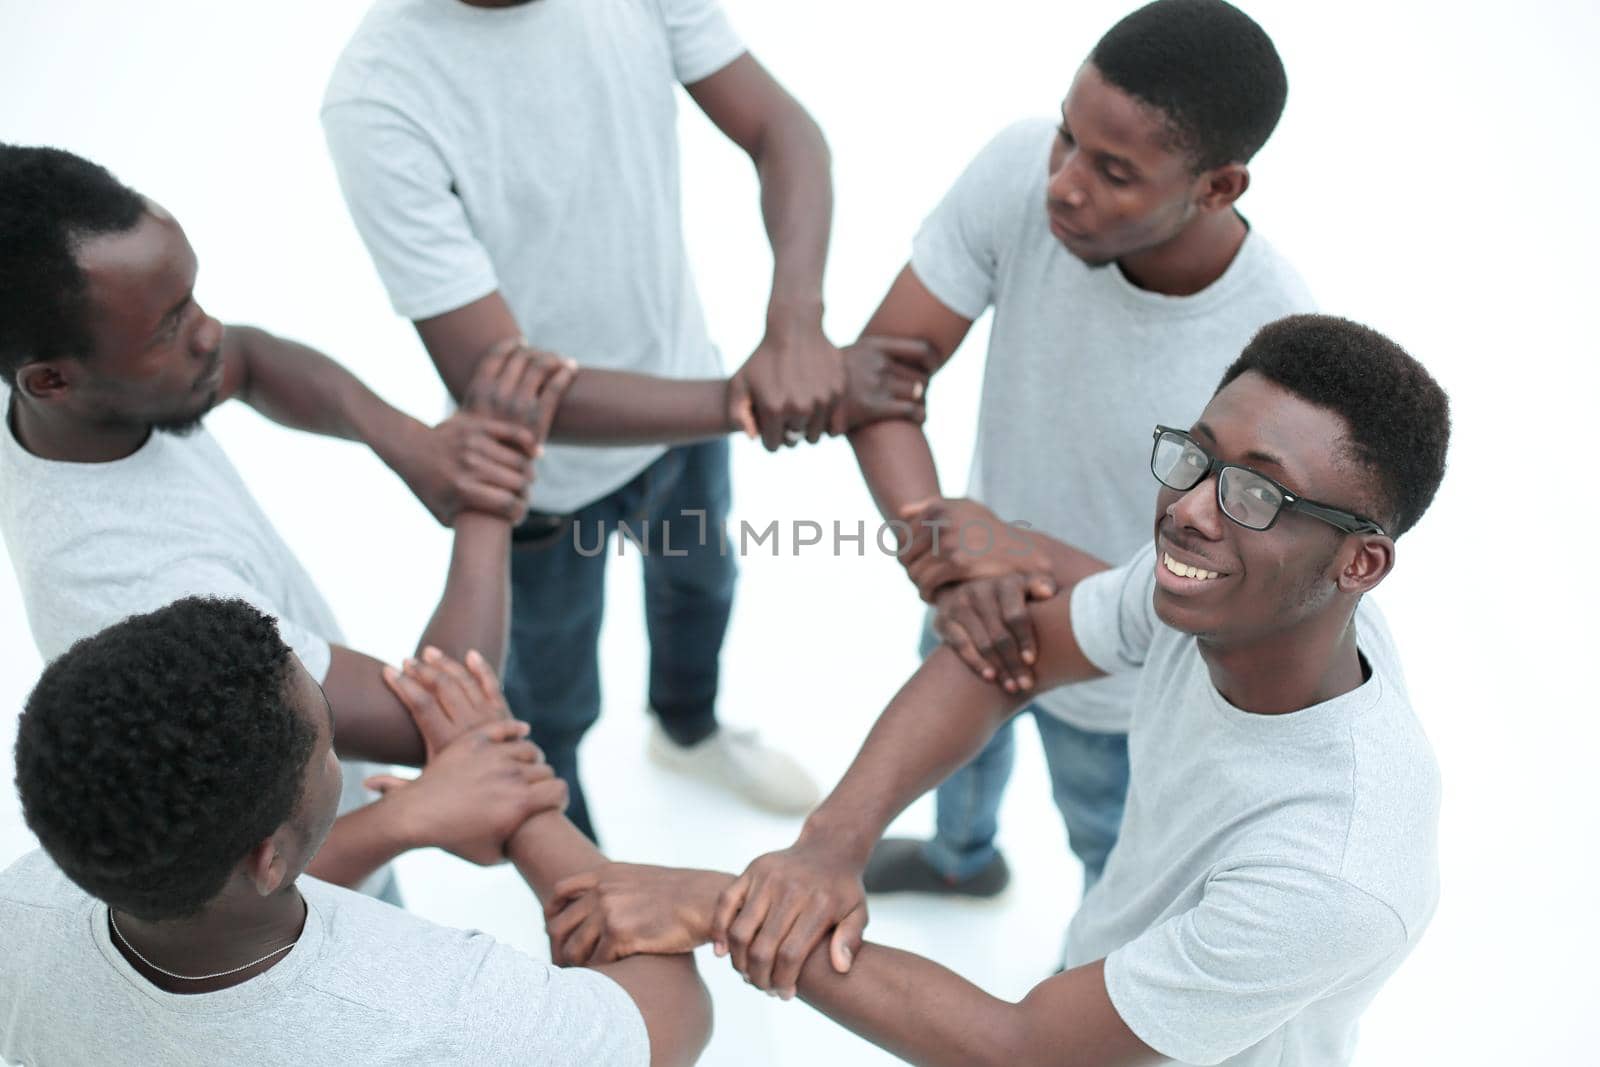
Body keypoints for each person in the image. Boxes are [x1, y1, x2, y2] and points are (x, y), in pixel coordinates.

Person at [546, 315, 1452, 1067]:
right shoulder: (1225, 595)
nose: (1191, 508)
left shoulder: (1334, 872)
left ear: (1360, 562)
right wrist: (827, 847)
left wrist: (719, 902)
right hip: (1112, 971)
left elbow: (1022, 1049)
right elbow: (1003, 659)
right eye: (1197, 458)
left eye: (1257, 494)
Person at [321, 0, 923, 837]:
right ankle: (582, 864)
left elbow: (782, 128)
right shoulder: (380, 96)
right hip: (541, 485)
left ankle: (687, 730)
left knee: (702, 590)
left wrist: (794, 326)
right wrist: (748, 399)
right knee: (551, 697)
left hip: (687, 412)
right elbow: (497, 378)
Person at [0, 144, 564, 899]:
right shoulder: (138, 584)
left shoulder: (94, 398)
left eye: (194, 296)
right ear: (50, 379)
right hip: (306, 906)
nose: (209, 333)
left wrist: (415, 446)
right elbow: (429, 714)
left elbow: (253, 360)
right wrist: (489, 493)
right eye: (169, 326)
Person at [846, 0, 1313, 900]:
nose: (1062, 183)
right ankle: (959, 863)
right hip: (965, 582)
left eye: (1113, 172)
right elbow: (879, 380)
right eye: (1066, 136)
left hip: (1120, 676)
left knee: (1114, 853)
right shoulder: (1023, 173)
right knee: (955, 776)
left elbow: (1238, 606)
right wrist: (945, 546)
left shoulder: (1273, 359)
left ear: (1217, 188)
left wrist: (1003, 552)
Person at [1, 596, 711, 1066]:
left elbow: (225, 900)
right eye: (330, 744)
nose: (339, 751)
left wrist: (406, 817)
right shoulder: (443, 1012)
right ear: (269, 857)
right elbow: (663, 1022)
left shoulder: (22, 909)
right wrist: (527, 807)